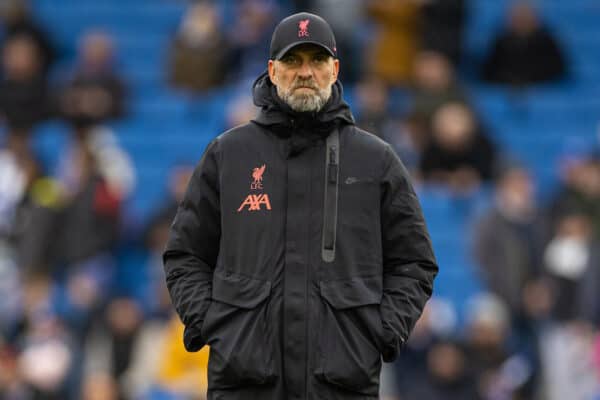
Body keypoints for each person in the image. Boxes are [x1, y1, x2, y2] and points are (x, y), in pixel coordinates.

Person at [163, 12, 438, 400]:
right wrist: (213, 324)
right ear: (272, 71)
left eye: (317, 60)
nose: (305, 71)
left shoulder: (376, 161)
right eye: (293, 60)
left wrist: (381, 332)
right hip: (245, 384)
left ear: (335, 69)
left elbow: (414, 262)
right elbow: (185, 255)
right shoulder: (228, 155)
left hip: (342, 384)